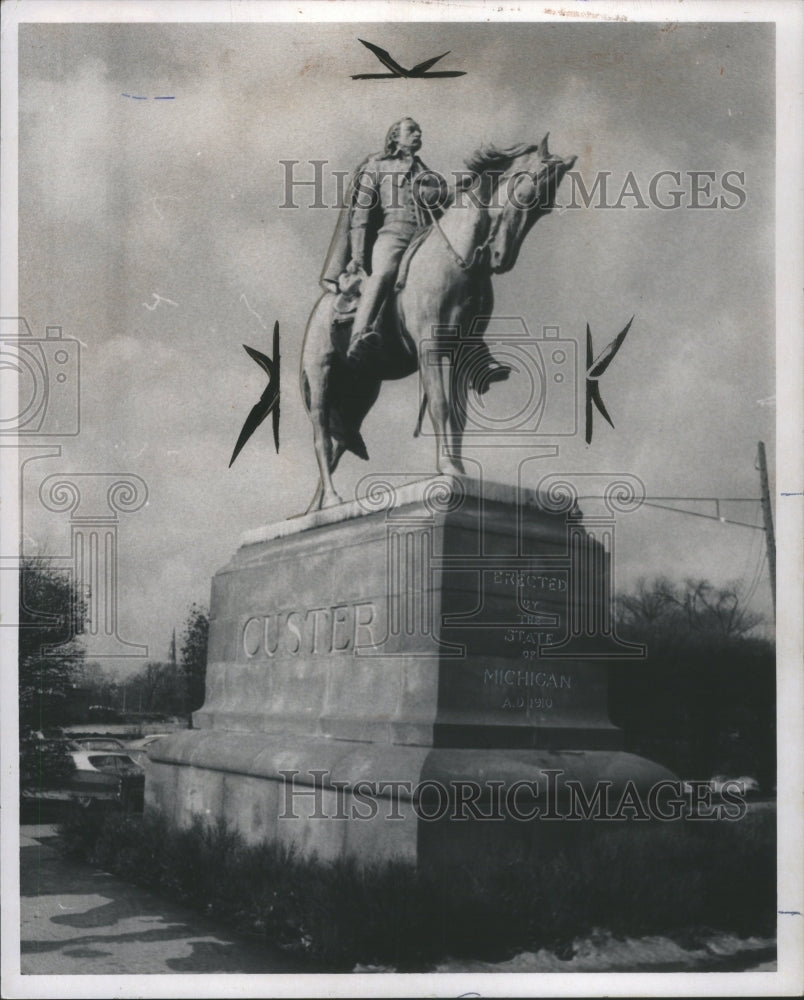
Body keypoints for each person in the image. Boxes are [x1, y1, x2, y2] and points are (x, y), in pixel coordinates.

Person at [321, 117, 509, 388]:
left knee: (462, 281)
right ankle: (359, 337)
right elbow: (360, 217)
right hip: (392, 236)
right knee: (384, 273)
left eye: (420, 130)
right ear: (395, 137)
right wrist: (358, 258)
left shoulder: (427, 174)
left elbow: (448, 196)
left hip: (423, 239)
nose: (418, 133)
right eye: (412, 130)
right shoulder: (377, 167)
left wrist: (475, 181)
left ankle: (474, 359)